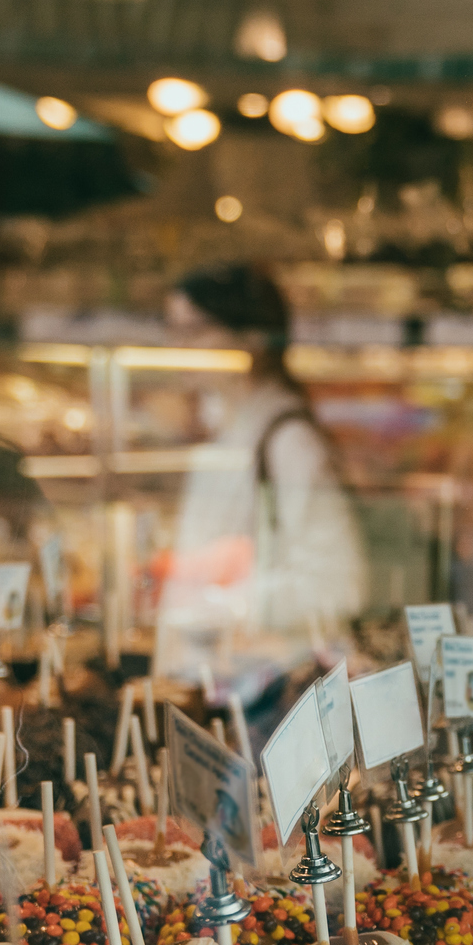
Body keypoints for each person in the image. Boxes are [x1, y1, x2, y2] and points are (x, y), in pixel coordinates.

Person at [155, 263, 367, 678]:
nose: (177, 346)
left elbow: (338, 584)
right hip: (217, 680)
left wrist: (219, 603)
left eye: (195, 330)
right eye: (173, 330)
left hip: (265, 686)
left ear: (253, 339)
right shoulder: (229, 430)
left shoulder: (287, 441)